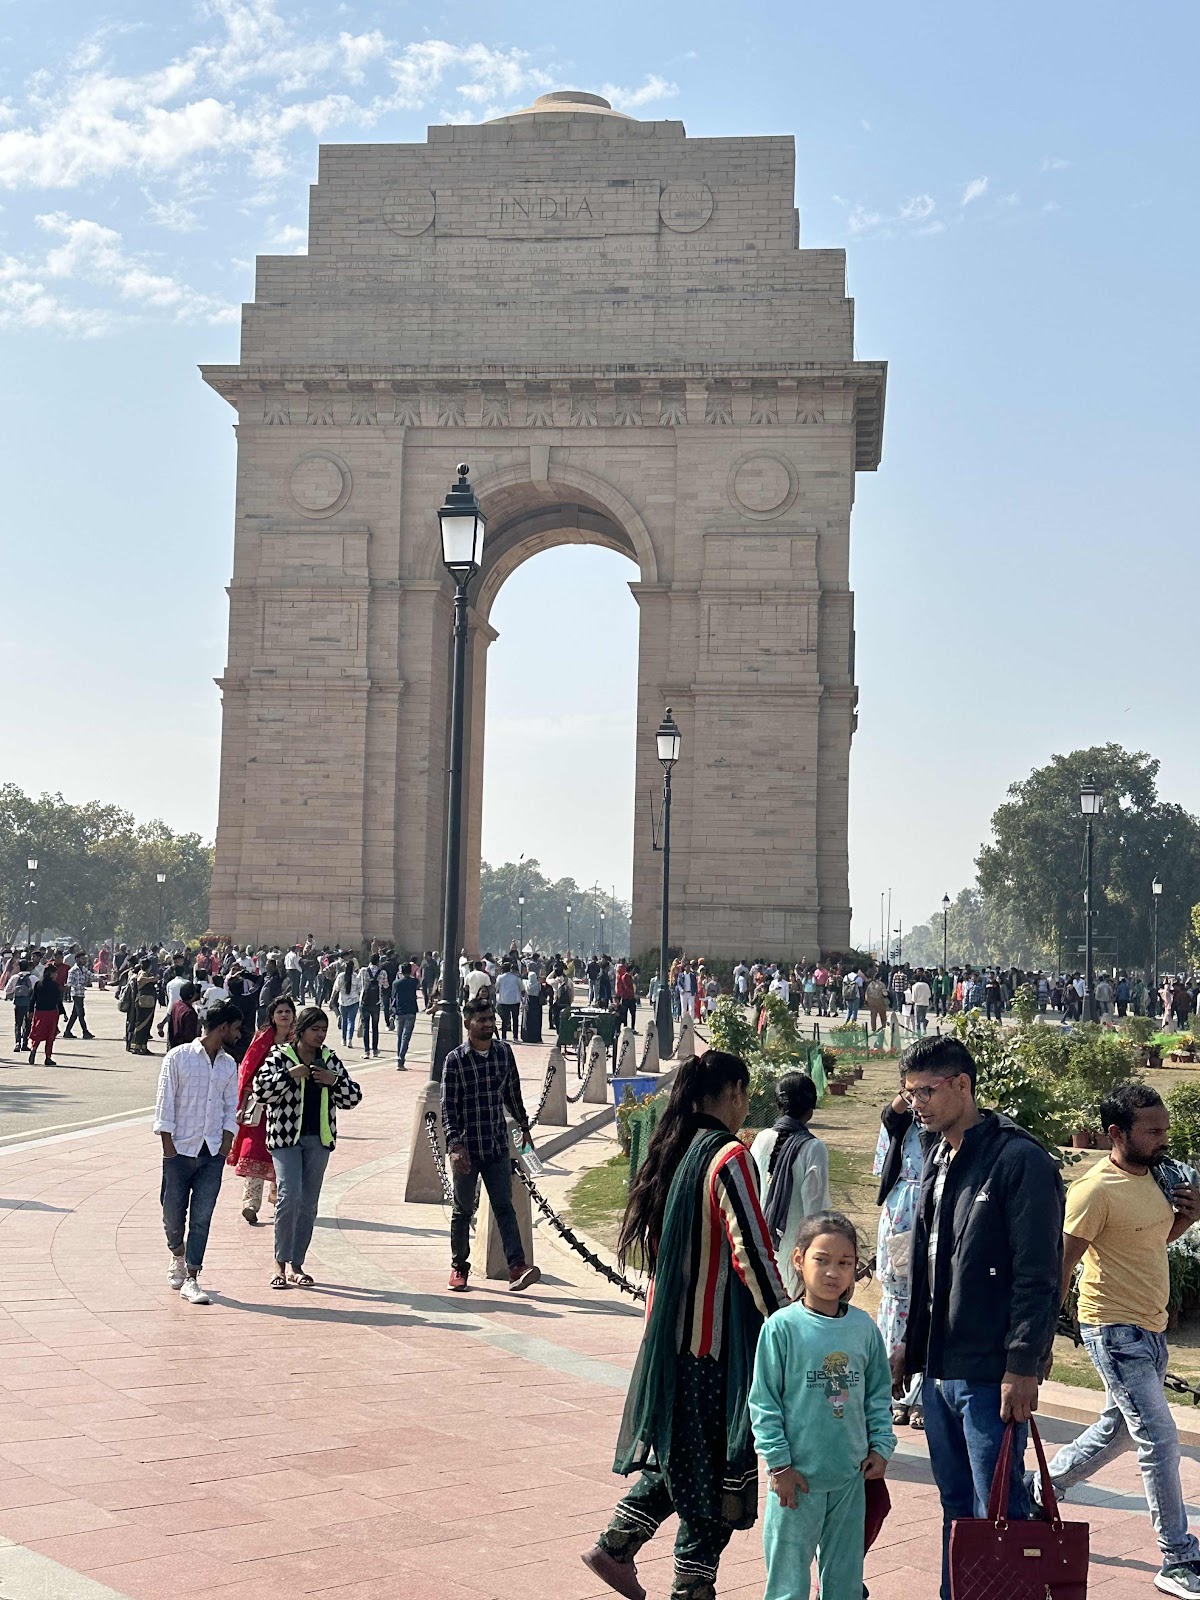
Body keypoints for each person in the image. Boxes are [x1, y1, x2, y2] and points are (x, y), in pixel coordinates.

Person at [582, 1050, 789, 1600]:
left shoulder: (671, 1148)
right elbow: (752, 1252)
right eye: (746, 1095)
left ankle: (617, 1545)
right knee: (715, 1470)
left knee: (685, 1454)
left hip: (669, 1335)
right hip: (712, 1344)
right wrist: (790, 1323)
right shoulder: (729, 1156)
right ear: (735, 1093)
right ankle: (690, 1587)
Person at [891, 1034, 1064, 1600]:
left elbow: (1038, 1273)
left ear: (962, 1085)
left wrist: (1023, 1364)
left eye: (925, 1091)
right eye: (909, 1093)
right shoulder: (938, 1156)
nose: (915, 1104)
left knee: (999, 1511)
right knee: (956, 1508)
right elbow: (930, 1265)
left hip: (991, 1373)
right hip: (940, 1369)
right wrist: (911, 1345)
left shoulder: (1018, 1160)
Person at [1034, 1082, 1200, 1597]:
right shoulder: (1093, 1191)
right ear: (1116, 1133)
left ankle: (1043, 1487)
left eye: (1165, 1129)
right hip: (1112, 1328)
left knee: (1120, 1429)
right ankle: (1177, 1558)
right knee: (1159, 1438)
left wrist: (1188, 1217)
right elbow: (1062, 1263)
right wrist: (1041, 1339)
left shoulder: (1158, 1178)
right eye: (1152, 1131)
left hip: (1151, 1327)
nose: (1163, 1139)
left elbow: (1150, 1239)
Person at [749, 1210, 896, 1600]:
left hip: (850, 1477)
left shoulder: (863, 1329)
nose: (833, 1272)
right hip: (795, 1481)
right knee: (787, 1580)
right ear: (799, 1259)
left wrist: (881, 1447)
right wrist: (779, 1465)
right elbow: (764, 1403)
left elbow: (878, 1395)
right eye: (822, 1259)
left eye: (845, 1263)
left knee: (845, 1579)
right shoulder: (780, 1328)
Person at [252, 1005, 362, 1289]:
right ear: (300, 1030)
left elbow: (353, 1097)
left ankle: (297, 1264)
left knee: (309, 1203)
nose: (320, 1035)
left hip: (318, 1139)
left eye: (324, 1030)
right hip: (285, 1138)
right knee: (289, 1196)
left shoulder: (329, 1059)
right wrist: (290, 1075)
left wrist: (332, 1080)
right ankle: (279, 1262)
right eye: (315, 1029)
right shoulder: (280, 1056)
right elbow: (261, 1091)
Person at [441, 998, 540, 1294]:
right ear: (467, 1024)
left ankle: (517, 1267)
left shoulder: (503, 1053)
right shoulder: (455, 1060)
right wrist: (455, 1144)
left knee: (504, 1207)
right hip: (467, 1149)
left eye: (490, 1019)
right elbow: (448, 1108)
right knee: (462, 1210)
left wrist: (524, 1128)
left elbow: (513, 1094)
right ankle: (459, 1267)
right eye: (481, 1020)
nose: (488, 1024)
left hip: (496, 1145)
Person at [152, 1000, 243, 1305]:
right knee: (172, 1215)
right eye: (236, 1028)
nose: (239, 1034)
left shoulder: (229, 1065)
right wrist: (169, 1149)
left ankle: (192, 1276)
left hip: (211, 1153)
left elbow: (231, 1107)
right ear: (222, 1028)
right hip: (179, 1151)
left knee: (202, 1216)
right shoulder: (178, 1057)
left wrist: (226, 1143)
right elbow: (165, 1103)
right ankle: (177, 1254)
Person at [751, 1072, 831, 1298]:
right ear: (811, 1107)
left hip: (760, 1246)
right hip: (794, 1253)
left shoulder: (761, 1139)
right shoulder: (813, 1149)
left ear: (779, 1104)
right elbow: (815, 1213)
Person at [873, 1090, 925, 1428]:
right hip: (901, 1213)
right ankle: (893, 1394)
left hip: (932, 1208)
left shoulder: (947, 1123)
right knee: (896, 1303)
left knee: (927, 1300)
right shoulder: (898, 1123)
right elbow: (882, 1165)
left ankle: (919, 1396)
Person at [228, 994, 295, 1225]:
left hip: (289, 1108)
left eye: (287, 1011)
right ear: (272, 1016)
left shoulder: (299, 1040)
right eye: (280, 1012)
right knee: (254, 1150)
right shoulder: (262, 1039)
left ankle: (279, 1200)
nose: (284, 1015)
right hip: (261, 1105)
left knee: (284, 1153)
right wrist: (243, 1102)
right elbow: (248, 1071)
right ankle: (250, 1203)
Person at [28, 963, 63, 1065]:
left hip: (39, 1012)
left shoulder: (38, 984)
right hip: (51, 1013)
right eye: (55, 973)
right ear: (51, 974)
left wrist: (30, 1011)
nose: (56, 975)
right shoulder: (55, 986)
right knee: (50, 1035)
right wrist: (63, 1013)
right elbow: (58, 1001)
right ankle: (48, 1057)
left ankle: (34, 1048)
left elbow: (33, 999)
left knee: (38, 1033)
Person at [391, 961, 420, 1070]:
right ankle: (401, 1059)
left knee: (400, 1036)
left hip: (400, 1011)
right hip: (411, 1011)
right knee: (406, 1037)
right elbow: (418, 982)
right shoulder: (414, 982)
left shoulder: (396, 983)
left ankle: (399, 1058)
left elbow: (393, 996)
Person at [5, 960, 35, 1052]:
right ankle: (25, 1043)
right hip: (29, 1004)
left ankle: (17, 1043)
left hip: (18, 1004)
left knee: (18, 1023)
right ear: (29, 967)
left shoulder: (15, 977)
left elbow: (7, 990)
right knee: (28, 1023)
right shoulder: (33, 978)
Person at [62, 954, 94, 1040]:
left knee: (75, 1014)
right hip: (76, 994)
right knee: (81, 1014)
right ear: (77, 959)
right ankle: (85, 1032)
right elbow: (69, 983)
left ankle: (67, 1031)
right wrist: (81, 985)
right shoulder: (73, 970)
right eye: (82, 959)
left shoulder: (83, 969)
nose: (84, 960)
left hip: (81, 994)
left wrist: (101, 978)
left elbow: (91, 975)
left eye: (85, 959)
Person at [359, 955, 385, 1057]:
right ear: (378, 962)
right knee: (375, 1027)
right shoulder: (382, 972)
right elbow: (386, 985)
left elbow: (359, 982)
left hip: (364, 1001)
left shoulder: (363, 971)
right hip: (376, 1002)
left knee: (366, 1027)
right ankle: (375, 1050)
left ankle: (366, 1051)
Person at [128, 967, 159, 1054]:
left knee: (146, 1025)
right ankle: (137, 1046)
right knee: (141, 1024)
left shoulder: (143, 974)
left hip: (147, 1003)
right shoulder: (143, 974)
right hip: (144, 1003)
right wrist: (151, 979)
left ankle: (142, 1046)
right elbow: (140, 980)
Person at [165, 982, 201, 1049]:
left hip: (174, 1044)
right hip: (184, 1047)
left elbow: (171, 1025)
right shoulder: (190, 1012)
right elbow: (189, 1036)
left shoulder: (176, 1004)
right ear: (192, 995)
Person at [335, 958, 360, 1047]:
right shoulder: (356, 976)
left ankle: (344, 1039)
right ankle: (350, 1039)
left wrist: (331, 999)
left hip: (343, 1001)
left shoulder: (340, 976)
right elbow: (360, 989)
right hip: (354, 1001)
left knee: (344, 1020)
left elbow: (336, 989)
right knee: (351, 1021)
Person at [494, 962, 522, 1041]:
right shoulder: (516, 978)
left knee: (504, 1020)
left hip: (503, 1001)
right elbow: (522, 988)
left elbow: (496, 988)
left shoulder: (500, 977)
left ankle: (504, 1037)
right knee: (515, 1019)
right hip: (515, 1001)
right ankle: (515, 1037)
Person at [521, 965, 544, 1043]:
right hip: (537, 1004)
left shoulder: (526, 983)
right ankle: (536, 1038)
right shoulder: (538, 984)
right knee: (536, 1021)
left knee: (527, 1020)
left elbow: (523, 979)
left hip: (528, 1003)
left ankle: (526, 1037)